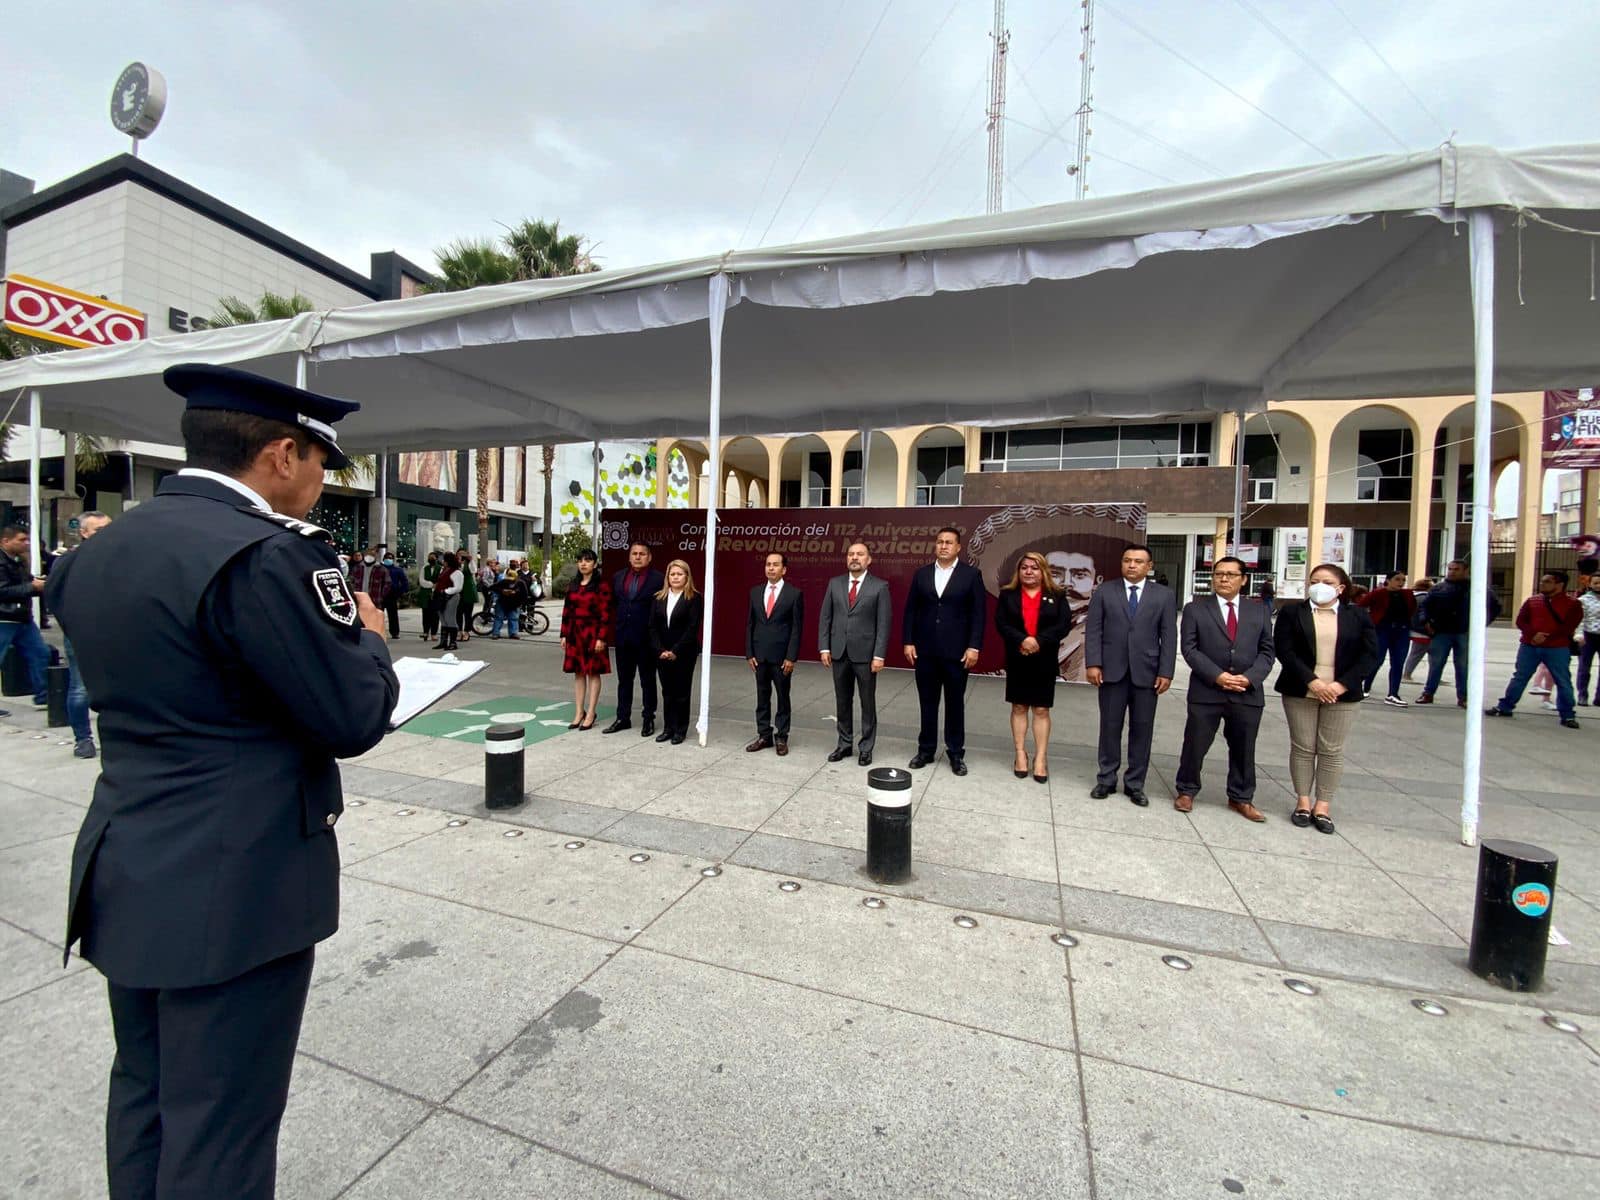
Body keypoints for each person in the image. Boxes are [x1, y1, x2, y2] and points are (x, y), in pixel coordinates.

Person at [45, 362, 398, 1199]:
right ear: (282, 454)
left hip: (128, 864)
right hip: (236, 884)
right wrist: (373, 642)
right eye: (320, 463)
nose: (321, 484)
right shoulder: (264, 555)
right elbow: (352, 716)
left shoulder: (100, 551)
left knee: (146, 1094)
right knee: (222, 1125)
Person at [1274, 563, 1380, 834]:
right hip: (1302, 689)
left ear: (1340, 588)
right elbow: (1285, 651)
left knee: (1331, 750)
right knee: (1303, 747)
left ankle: (1323, 806)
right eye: (1315, 580)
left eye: (1327, 581)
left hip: (1342, 694)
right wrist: (1314, 682)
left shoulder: (1357, 616)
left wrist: (1340, 685)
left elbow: (1370, 655)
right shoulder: (1292, 613)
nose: (1319, 585)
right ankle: (1303, 802)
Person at [1175, 556, 1276, 820]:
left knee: (1244, 747)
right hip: (1207, 690)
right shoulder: (1196, 609)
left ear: (1243, 579)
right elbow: (1190, 648)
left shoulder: (1259, 611)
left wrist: (1250, 677)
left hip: (1246, 691)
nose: (1224, 579)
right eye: (1219, 574)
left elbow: (1267, 651)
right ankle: (1186, 790)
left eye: (1231, 574)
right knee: (1195, 743)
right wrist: (1217, 675)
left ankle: (1241, 797)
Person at [1085, 544, 1177, 806]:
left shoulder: (1164, 595)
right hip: (1112, 671)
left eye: (1138, 561)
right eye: (1127, 560)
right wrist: (1094, 663)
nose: (1132, 565)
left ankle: (1135, 784)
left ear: (1149, 566)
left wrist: (1166, 671)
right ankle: (1106, 779)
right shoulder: (1105, 591)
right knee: (1110, 727)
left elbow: (1169, 636)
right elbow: (1094, 630)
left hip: (1147, 674)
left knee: (1142, 729)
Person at [903, 526, 987, 776]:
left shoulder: (971, 575)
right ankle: (926, 750)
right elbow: (911, 611)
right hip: (925, 651)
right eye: (940, 542)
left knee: (954, 704)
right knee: (927, 703)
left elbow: (978, 614)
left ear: (958, 547)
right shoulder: (922, 574)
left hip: (956, 653)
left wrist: (974, 646)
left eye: (949, 542)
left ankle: (955, 753)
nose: (943, 546)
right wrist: (908, 641)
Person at [994, 551, 1070, 782]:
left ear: (1043, 571)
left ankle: (1040, 758)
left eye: (1034, 568)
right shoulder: (1008, 595)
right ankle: (1020, 754)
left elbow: (1063, 625)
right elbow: (1002, 623)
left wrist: (1038, 641)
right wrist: (1022, 640)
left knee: (1041, 709)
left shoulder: (1057, 595)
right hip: (1018, 657)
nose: (1028, 571)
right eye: (1024, 567)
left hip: (1044, 659)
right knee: (1018, 706)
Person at [818, 542, 891, 766]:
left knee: (867, 702)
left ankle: (866, 747)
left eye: (860, 554)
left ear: (869, 560)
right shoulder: (835, 583)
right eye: (851, 554)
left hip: (866, 655)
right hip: (839, 652)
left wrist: (879, 655)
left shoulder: (880, 587)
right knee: (842, 701)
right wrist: (825, 647)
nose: (855, 557)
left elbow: (883, 624)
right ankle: (844, 744)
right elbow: (825, 617)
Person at [1486, 570, 1582, 728]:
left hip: (1557, 647)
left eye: (1547, 581)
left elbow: (1569, 626)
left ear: (1560, 584)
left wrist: (1546, 637)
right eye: (1542, 581)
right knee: (1520, 676)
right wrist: (1533, 634)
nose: (1542, 584)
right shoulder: (1533, 601)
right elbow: (1521, 621)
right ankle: (1505, 706)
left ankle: (1567, 714)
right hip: (1529, 646)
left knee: (1562, 680)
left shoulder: (1573, 604)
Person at [58, 511, 114, 757]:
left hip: (118, 633)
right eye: (98, 530)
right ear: (83, 533)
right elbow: (56, 595)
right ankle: (83, 739)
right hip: (81, 632)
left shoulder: (124, 558)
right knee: (80, 688)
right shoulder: (70, 561)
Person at [1416, 559, 1501, 706]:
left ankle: (1464, 697)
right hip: (1441, 631)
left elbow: (1495, 607)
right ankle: (1428, 693)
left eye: (1456, 569)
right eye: (1450, 569)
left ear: (1465, 570)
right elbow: (1425, 606)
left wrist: (1481, 624)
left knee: (1463, 665)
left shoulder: (1478, 588)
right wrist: (1425, 621)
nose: (1452, 572)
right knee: (1436, 664)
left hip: (1464, 631)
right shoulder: (1439, 588)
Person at [745, 551, 804, 756]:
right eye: (768, 564)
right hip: (759, 655)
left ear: (784, 569)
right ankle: (764, 735)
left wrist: (791, 657)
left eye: (775, 564)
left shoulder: (794, 594)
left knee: (782, 697)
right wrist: (749, 653)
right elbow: (750, 624)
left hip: (781, 657)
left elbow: (797, 628)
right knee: (762, 697)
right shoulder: (755, 592)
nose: (771, 568)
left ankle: (781, 737)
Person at [604, 542, 664, 736]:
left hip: (646, 640)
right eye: (634, 554)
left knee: (647, 681)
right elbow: (612, 604)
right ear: (629, 557)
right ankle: (623, 718)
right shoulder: (618, 576)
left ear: (649, 557)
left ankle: (648, 719)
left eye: (642, 554)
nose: (638, 557)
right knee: (624, 680)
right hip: (623, 638)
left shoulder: (658, 579)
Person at [650, 559, 703, 745]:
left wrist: (675, 651)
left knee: (681, 691)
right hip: (661, 652)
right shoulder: (658, 597)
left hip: (683, 653)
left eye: (679, 574)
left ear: (686, 576)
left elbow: (692, 628)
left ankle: (680, 729)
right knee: (667, 691)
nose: (675, 577)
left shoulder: (694, 598)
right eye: (672, 574)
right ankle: (668, 728)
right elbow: (652, 627)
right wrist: (660, 650)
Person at [560, 548, 611, 730]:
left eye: (588, 560)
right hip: (574, 633)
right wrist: (564, 634)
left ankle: (591, 712)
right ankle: (578, 712)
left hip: (593, 633)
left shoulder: (601, 586)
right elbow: (567, 611)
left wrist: (601, 638)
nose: (583, 563)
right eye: (580, 560)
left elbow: (606, 614)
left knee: (593, 672)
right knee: (578, 673)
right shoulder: (572, 585)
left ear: (595, 564)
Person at [0, 524, 50, 709]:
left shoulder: (18, 561)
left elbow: (24, 584)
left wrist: (37, 585)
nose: (26, 543)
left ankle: (43, 695)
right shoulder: (3, 562)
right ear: (5, 541)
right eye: (21, 540)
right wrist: (32, 587)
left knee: (40, 653)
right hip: (4, 617)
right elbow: (2, 590)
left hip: (21, 617)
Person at [1358, 570, 1417, 707]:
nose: (1401, 583)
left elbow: (1412, 609)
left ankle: (1393, 694)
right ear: (1388, 580)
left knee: (1398, 662)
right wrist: (1368, 623)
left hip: (1401, 631)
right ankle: (1365, 687)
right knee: (1377, 660)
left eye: (1403, 580)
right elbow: (1361, 605)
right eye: (1397, 579)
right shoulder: (1379, 593)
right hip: (1382, 630)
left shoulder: (1407, 594)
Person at [1049, 549, 1099, 683]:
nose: (1066, 583)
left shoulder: (1096, 633)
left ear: (1096, 582)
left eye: (1080, 575)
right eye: (1054, 574)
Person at [1401, 576, 1433, 682]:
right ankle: (1407, 674)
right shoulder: (1425, 599)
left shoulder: (1413, 597)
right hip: (1422, 631)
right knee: (1418, 653)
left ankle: (1408, 673)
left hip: (1415, 629)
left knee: (1420, 653)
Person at [432, 551, 464, 650]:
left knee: (450, 618)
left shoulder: (457, 572)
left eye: (445, 560)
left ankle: (453, 643)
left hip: (451, 597)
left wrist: (445, 591)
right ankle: (443, 642)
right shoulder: (445, 570)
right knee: (443, 619)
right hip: (441, 596)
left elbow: (458, 587)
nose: (443, 562)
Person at [347, 545, 392, 614]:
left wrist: (381, 596)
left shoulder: (382, 569)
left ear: (375, 556)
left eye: (372, 554)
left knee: (374, 621)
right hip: (360, 599)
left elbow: (387, 583)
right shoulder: (357, 568)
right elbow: (351, 581)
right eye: (367, 554)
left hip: (375, 600)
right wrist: (354, 593)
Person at [1577, 574, 1600, 706]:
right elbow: (1580, 620)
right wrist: (1579, 635)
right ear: (1590, 584)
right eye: (1596, 583)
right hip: (1588, 637)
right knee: (1584, 668)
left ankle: (1599, 698)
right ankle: (1582, 695)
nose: (1598, 585)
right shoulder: (1583, 600)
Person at [491, 560, 528, 639]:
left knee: (513, 618)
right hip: (502, 602)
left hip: (514, 604)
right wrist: (502, 591)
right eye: (508, 578)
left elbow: (524, 595)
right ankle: (496, 633)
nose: (509, 581)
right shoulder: (503, 581)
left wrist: (518, 601)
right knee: (499, 618)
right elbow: (492, 587)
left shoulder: (521, 583)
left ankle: (513, 633)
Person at [382, 552, 407, 640]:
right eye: (387, 558)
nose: (389, 559)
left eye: (390, 558)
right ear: (383, 559)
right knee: (379, 615)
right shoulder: (379, 569)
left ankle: (395, 633)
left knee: (393, 615)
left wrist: (399, 592)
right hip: (380, 595)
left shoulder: (398, 570)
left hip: (392, 595)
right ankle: (378, 631)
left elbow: (404, 582)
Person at [420, 550, 443, 641]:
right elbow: (421, 581)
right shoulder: (424, 568)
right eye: (430, 557)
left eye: (433, 557)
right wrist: (431, 585)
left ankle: (434, 633)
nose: (431, 559)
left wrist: (435, 586)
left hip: (436, 594)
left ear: (437, 559)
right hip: (425, 594)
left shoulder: (440, 568)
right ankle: (425, 632)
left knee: (435, 615)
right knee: (425, 614)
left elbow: (440, 581)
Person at [456, 551, 477, 641]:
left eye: (463, 554)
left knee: (468, 613)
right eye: (459, 554)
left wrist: (471, 560)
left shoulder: (469, 563)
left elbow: (474, 570)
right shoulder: (455, 564)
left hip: (468, 589)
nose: (461, 556)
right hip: (458, 590)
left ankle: (466, 631)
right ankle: (459, 631)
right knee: (458, 613)